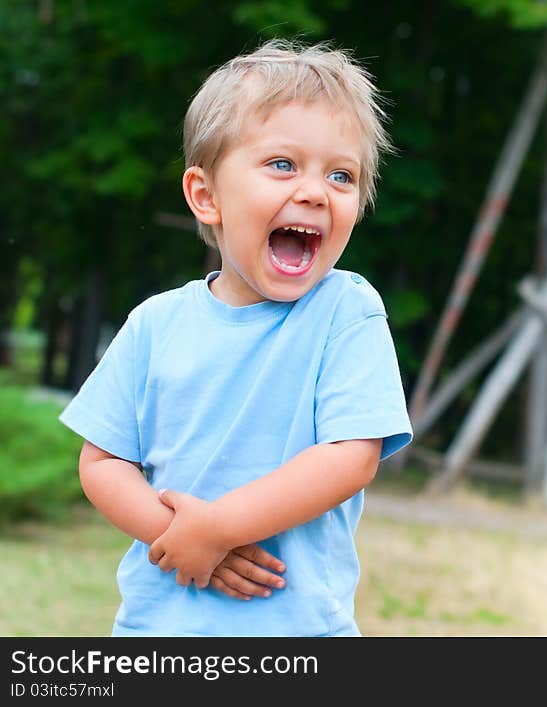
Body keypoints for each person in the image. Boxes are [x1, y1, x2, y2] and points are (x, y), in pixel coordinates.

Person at [59, 39, 412, 637]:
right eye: (283, 165)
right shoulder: (155, 324)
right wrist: (182, 538)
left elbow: (351, 458)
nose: (314, 191)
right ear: (206, 196)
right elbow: (102, 462)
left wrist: (220, 528)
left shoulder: (346, 310)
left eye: (341, 174)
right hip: (159, 629)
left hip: (300, 632)